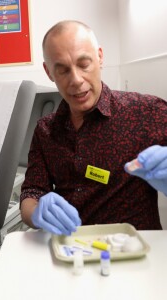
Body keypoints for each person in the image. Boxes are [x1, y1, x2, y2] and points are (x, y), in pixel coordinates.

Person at [20, 20, 167, 236]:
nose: (76, 80)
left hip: (134, 251)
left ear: (99, 56)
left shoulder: (146, 112)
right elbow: (32, 192)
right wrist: (36, 213)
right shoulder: (46, 130)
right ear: (48, 72)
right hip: (71, 249)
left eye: (83, 64)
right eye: (62, 70)